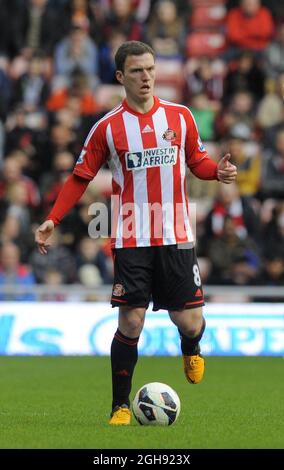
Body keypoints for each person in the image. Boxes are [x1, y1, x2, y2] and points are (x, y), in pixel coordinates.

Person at [35, 41, 237, 425]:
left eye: (150, 69)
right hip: (131, 238)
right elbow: (81, 177)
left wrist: (218, 172)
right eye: (137, 71)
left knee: (189, 322)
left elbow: (197, 161)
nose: (146, 77)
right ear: (120, 77)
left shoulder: (180, 117)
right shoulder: (107, 128)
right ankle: (121, 406)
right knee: (130, 322)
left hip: (176, 236)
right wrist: (53, 219)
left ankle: (191, 346)